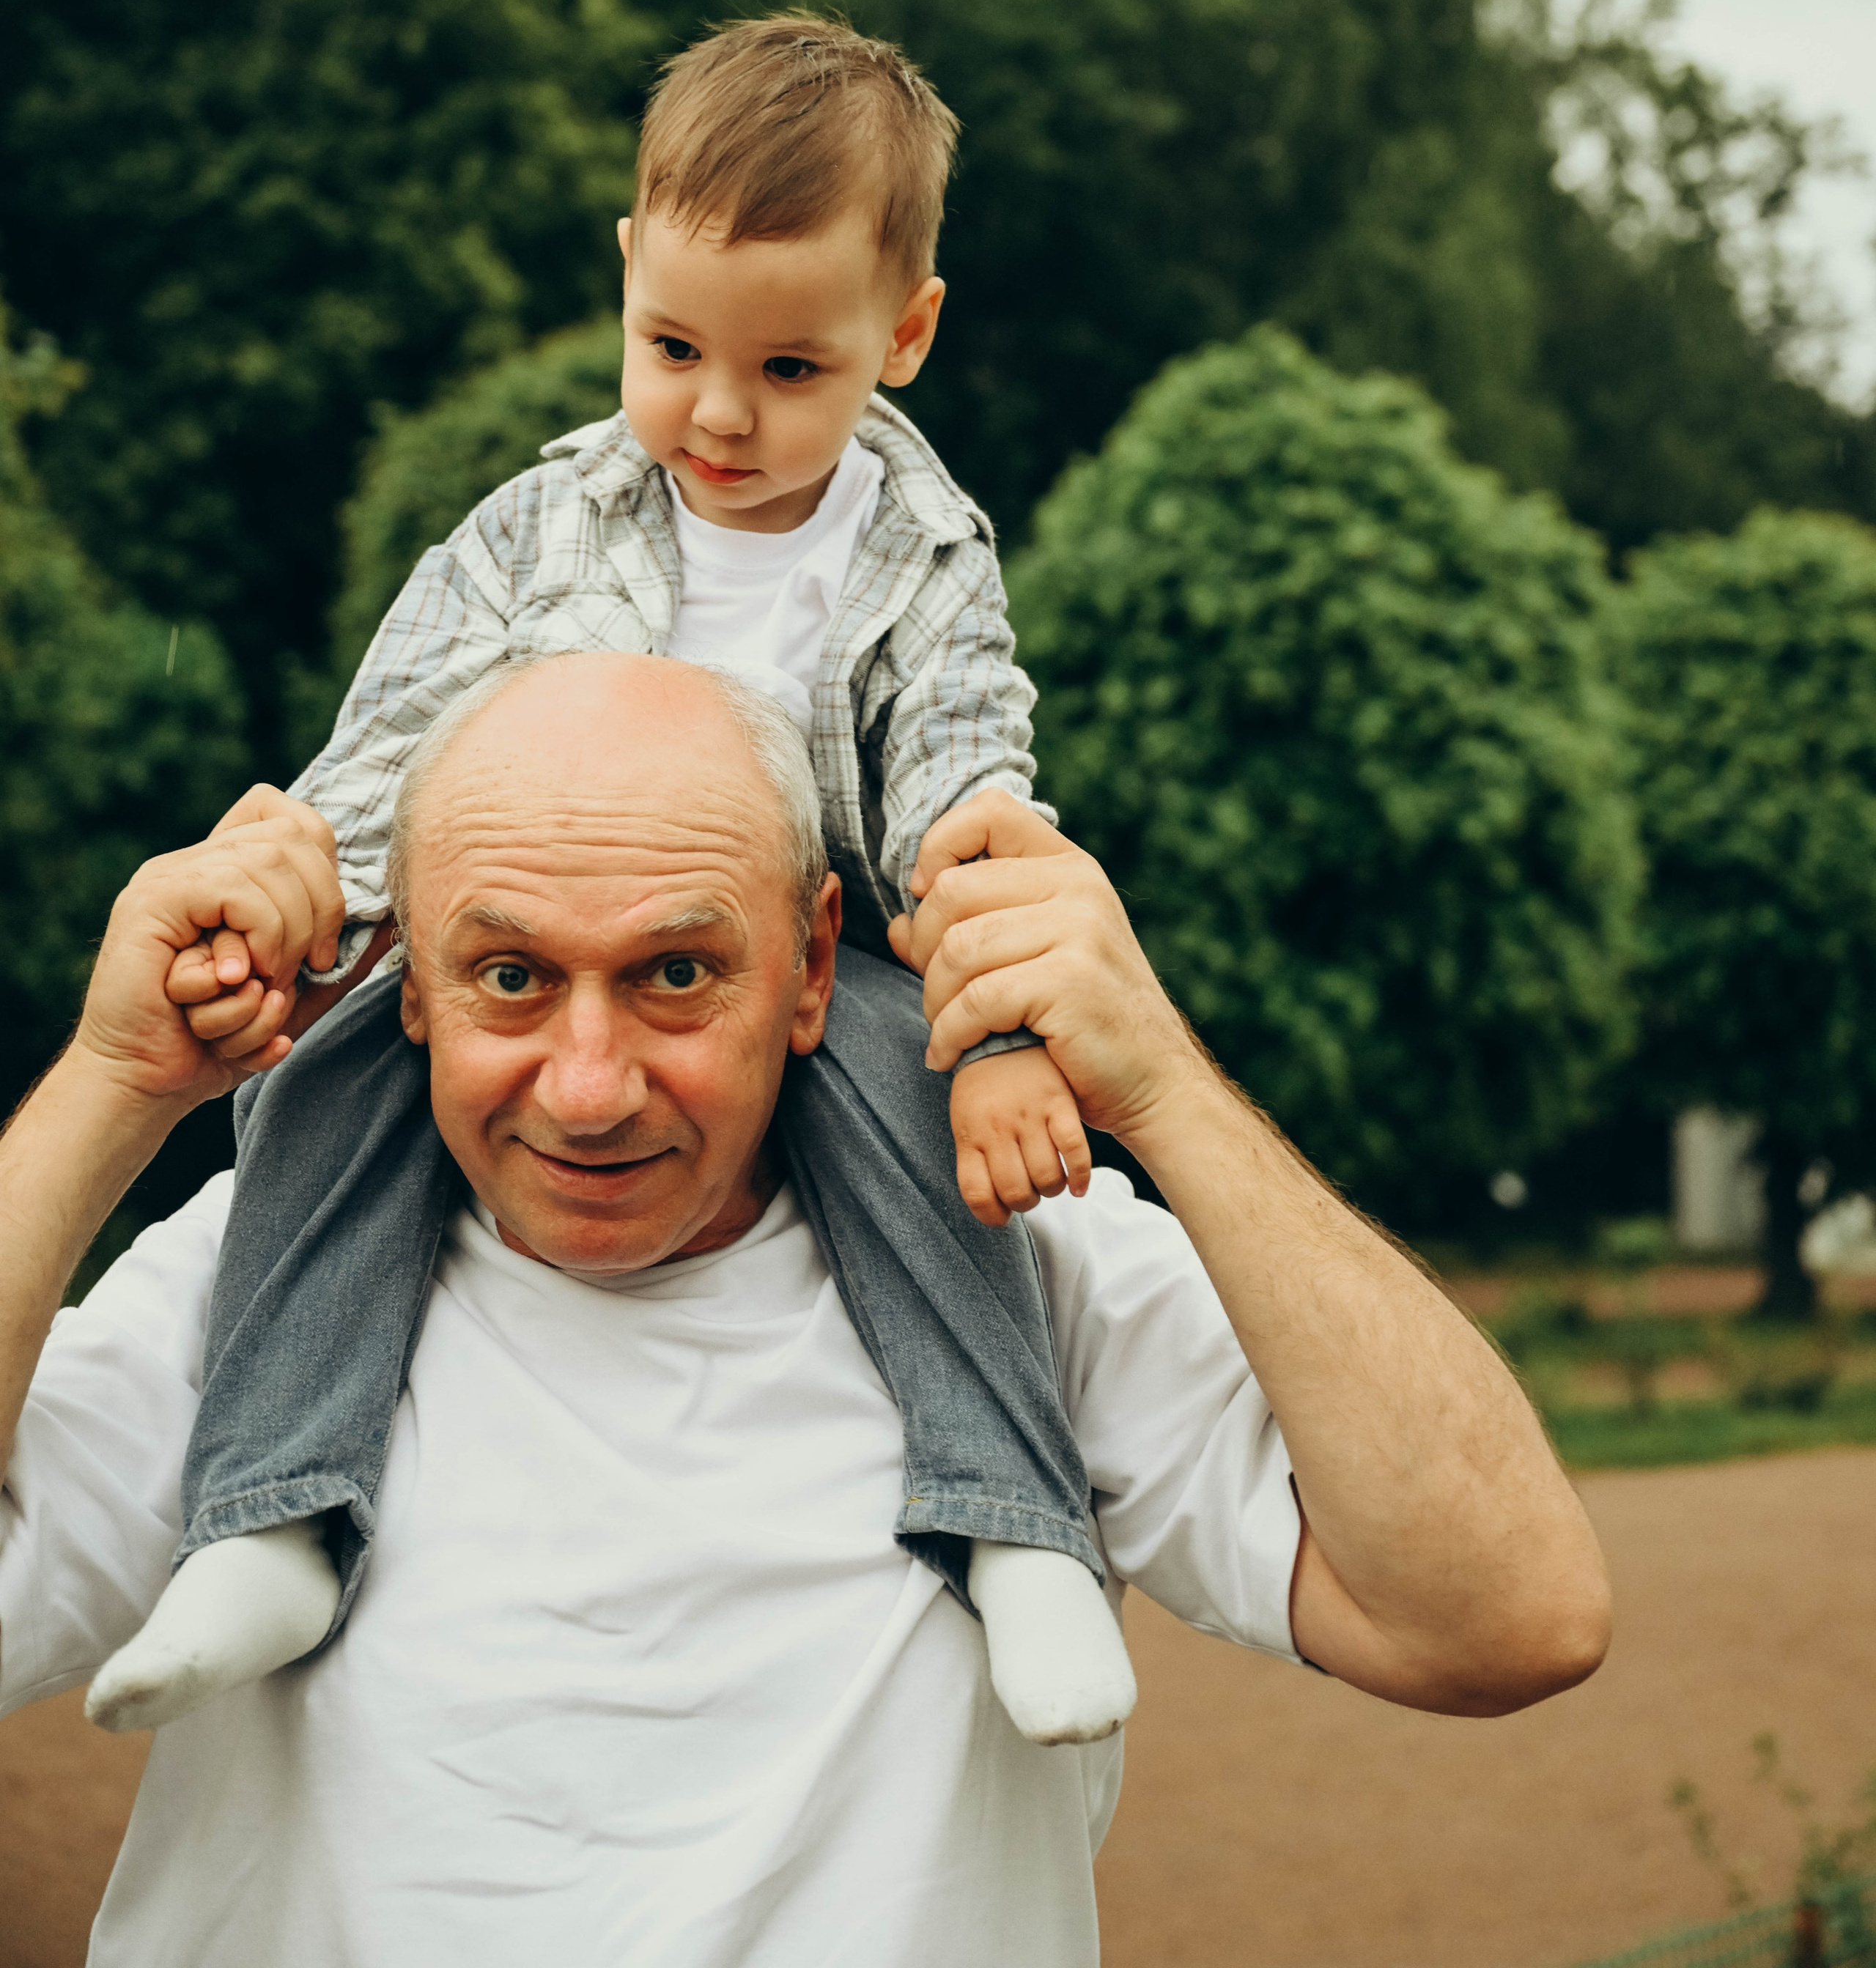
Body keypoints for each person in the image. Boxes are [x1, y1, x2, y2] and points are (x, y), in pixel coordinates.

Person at [0, 655, 1611, 1968]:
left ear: (814, 961)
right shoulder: (261, 1284)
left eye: (676, 974)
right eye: (505, 977)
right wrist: (111, 1086)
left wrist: (1165, 1086)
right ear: (407, 981)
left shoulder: (1017, 1258)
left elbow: (1500, 1617)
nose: (586, 1082)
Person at [89, 14, 1131, 1747]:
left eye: (793, 372)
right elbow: (402, 740)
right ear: (629, 276)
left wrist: (1002, 1030)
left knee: (925, 1125)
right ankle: (272, 1512)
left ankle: (1009, 1525)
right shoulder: (539, 524)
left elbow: (964, 794)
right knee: (329, 1092)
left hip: (818, 962)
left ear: (908, 334)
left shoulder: (922, 554)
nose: (718, 413)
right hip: (539, 947)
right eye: (672, 346)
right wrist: (307, 906)